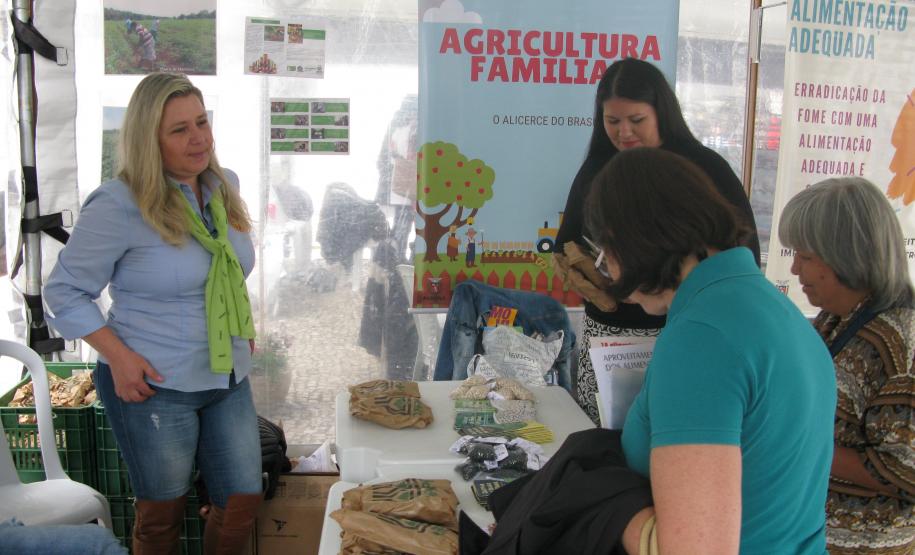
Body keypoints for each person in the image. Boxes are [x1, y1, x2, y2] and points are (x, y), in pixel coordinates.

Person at [44, 73, 261, 555]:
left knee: (242, 499)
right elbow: (64, 291)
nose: (199, 137)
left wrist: (238, 328)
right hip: (154, 384)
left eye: (202, 122)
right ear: (149, 139)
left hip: (226, 376)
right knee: (161, 515)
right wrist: (118, 358)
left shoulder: (223, 187)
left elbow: (224, 273)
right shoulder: (119, 204)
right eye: (179, 129)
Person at [585, 148, 834, 553]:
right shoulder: (773, 309)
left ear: (629, 241)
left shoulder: (701, 337)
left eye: (604, 255)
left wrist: (596, 500)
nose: (610, 273)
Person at [554, 57, 761, 424]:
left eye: (636, 121)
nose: (623, 133)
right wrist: (588, 280)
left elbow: (742, 255)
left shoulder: (705, 167)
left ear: (661, 113)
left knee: (671, 427)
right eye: (612, 121)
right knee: (606, 439)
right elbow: (566, 243)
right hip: (610, 332)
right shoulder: (596, 168)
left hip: (683, 329)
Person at [778, 177, 915, 554]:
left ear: (847, 257)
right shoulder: (837, 317)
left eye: (805, 258)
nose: (794, 271)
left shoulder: (899, 345)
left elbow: (906, 471)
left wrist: (797, 442)